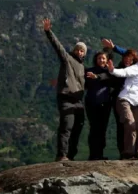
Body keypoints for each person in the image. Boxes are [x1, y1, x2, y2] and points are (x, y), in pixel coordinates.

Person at [42, 18, 86, 162]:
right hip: (66, 98)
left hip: (78, 101)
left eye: (82, 51)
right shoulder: (67, 59)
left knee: (77, 128)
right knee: (66, 127)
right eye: (78, 50)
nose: (80, 52)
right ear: (74, 50)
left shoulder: (82, 67)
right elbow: (58, 46)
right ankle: (61, 155)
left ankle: (71, 155)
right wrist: (48, 32)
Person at [108, 51, 138, 159]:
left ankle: (136, 153)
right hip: (124, 100)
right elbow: (124, 72)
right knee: (130, 124)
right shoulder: (136, 68)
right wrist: (112, 70)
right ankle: (128, 153)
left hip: (136, 104)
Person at [84, 52, 115, 160]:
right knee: (94, 128)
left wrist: (97, 77)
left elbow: (109, 77)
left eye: (103, 58)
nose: (101, 60)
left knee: (102, 129)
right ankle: (93, 154)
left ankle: (100, 153)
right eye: (99, 58)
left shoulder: (109, 72)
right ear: (96, 60)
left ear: (107, 60)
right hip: (92, 103)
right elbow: (85, 83)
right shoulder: (89, 71)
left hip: (105, 104)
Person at [108, 49, 138, 158]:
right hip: (120, 101)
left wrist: (115, 47)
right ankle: (123, 151)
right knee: (122, 125)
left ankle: (134, 151)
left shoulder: (137, 70)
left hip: (135, 102)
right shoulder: (118, 70)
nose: (127, 60)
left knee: (135, 125)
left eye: (130, 58)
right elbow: (111, 79)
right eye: (125, 58)